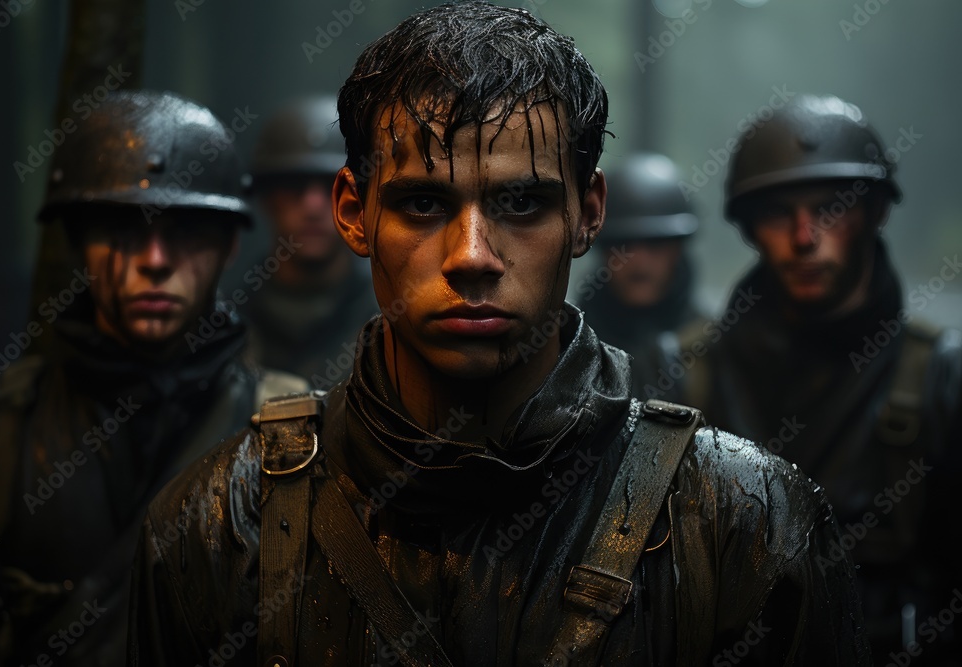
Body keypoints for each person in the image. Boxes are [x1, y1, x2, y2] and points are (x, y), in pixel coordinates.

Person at [129, 6, 871, 665]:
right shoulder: (219, 523)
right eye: (422, 203)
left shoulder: (746, 525)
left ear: (588, 212)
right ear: (354, 212)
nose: (472, 256)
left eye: (521, 202)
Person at [0, 90, 305, 666]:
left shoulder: (290, 433)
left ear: (229, 246)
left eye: (187, 230)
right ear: (79, 245)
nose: (154, 259)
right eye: (122, 229)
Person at [669, 93, 961, 663]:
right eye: (780, 213)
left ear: (874, 211)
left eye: (831, 208)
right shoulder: (687, 373)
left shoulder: (940, 380)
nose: (805, 237)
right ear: (751, 228)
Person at [244, 96, 378, 389]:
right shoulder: (231, 321)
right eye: (294, 184)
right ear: (267, 197)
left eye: (331, 185)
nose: (313, 206)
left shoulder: (388, 317)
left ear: (357, 200)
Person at [576, 152, 703, 398]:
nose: (639, 264)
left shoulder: (715, 345)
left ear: (677, 250)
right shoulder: (573, 342)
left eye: (655, 246)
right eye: (623, 246)